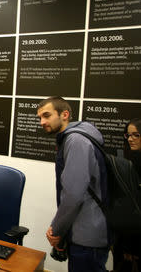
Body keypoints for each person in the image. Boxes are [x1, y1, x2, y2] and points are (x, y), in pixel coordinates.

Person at [36, 96, 109, 271]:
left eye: (46, 115)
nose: (42, 122)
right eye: (39, 118)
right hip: (86, 232)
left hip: (87, 237)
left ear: (65, 114)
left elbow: (73, 194)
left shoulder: (76, 141)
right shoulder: (75, 138)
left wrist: (56, 229)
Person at [112, 118, 141, 271]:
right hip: (123, 233)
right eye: (128, 135)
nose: (131, 139)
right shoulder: (127, 161)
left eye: (136, 135)